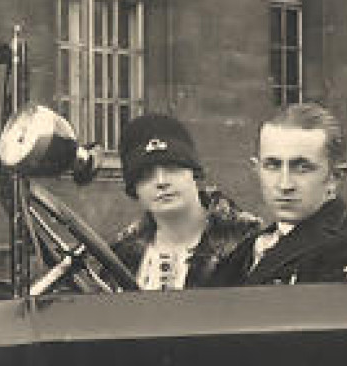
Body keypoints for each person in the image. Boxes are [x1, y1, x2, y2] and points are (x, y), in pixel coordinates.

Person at [204, 102, 347, 286]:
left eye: (302, 168)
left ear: (335, 177)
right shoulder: (251, 247)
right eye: (273, 166)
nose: (284, 184)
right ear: (257, 170)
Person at [109, 114, 263, 290]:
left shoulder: (247, 242)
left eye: (172, 168)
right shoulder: (122, 254)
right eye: (145, 175)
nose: (161, 181)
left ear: (193, 173)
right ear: (134, 188)